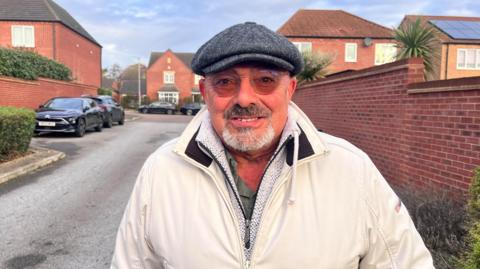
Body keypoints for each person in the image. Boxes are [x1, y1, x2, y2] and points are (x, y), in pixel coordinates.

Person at [111, 22, 434, 269]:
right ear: (205, 91)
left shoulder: (351, 170)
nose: (245, 98)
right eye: (225, 82)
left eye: (265, 80)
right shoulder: (162, 171)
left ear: (290, 89)